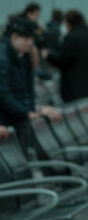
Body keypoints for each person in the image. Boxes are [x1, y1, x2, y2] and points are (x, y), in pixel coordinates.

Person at [0, 19, 61, 151]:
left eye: (31, 38)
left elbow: (28, 91)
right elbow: (3, 95)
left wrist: (33, 111)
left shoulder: (24, 57)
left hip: (20, 117)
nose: (31, 43)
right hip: (7, 120)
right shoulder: (3, 60)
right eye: (27, 38)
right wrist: (27, 113)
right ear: (14, 37)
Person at [47, 9, 88, 102]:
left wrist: (49, 56)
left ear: (68, 23)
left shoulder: (72, 37)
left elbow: (63, 61)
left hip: (76, 89)